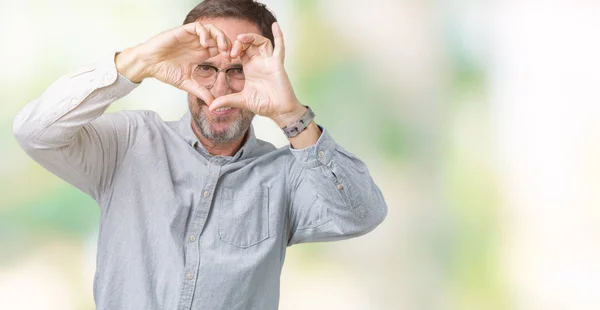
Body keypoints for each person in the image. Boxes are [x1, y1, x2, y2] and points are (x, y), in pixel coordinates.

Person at [12, 0, 387, 309]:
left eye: (238, 70)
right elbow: (35, 132)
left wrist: (290, 113)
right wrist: (138, 61)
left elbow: (363, 215)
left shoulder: (285, 175)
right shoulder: (128, 142)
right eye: (206, 67)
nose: (219, 88)